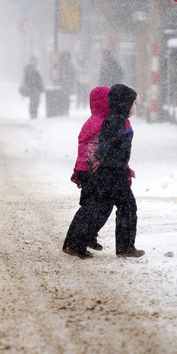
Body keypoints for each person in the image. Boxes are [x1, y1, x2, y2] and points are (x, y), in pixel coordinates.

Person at [62, 83, 145, 259]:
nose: (135, 107)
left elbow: (110, 146)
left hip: (110, 170)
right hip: (111, 172)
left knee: (98, 207)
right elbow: (107, 145)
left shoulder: (112, 120)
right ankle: (123, 247)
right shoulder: (115, 121)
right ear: (124, 104)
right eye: (133, 103)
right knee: (122, 207)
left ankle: (77, 242)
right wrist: (97, 159)